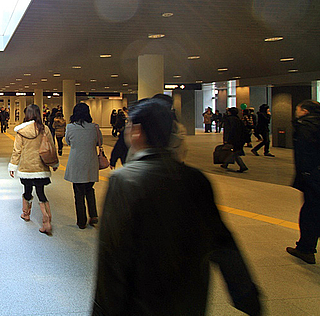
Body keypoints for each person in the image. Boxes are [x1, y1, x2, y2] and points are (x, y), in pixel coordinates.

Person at [92, 98, 262, 316]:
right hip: (190, 299)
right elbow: (223, 240)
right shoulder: (196, 179)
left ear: (137, 131)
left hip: (141, 302)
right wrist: (246, 295)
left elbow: (112, 255)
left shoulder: (123, 181)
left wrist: (102, 310)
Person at [8, 104, 58, 235]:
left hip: (27, 167)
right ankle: (46, 221)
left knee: (27, 191)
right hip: (41, 167)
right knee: (41, 193)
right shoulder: (44, 129)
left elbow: (17, 150)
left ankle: (26, 214)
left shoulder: (21, 130)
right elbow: (51, 147)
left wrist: (13, 165)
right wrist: (54, 163)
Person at [286, 100, 320, 264]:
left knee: (311, 212)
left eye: (298, 109)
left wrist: (306, 174)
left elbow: (305, 154)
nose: (296, 111)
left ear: (305, 111)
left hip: (313, 176)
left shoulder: (305, 126)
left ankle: (305, 249)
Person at [64, 103, 102, 229]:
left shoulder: (70, 127)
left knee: (78, 192)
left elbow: (68, 141)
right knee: (89, 189)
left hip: (76, 163)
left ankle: (81, 221)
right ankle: (93, 215)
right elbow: (99, 142)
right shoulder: (95, 127)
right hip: (91, 162)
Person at [221, 107, 249, 172]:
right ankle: (225, 164)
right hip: (240, 138)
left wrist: (225, 139)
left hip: (232, 138)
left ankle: (242, 166)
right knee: (234, 151)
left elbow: (227, 130)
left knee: (234, 153)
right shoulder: (238, 119)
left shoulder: (228, 119)